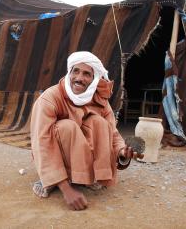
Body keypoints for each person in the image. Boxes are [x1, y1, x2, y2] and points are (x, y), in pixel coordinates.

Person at [30, 51, 143, 211]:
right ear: (69, 72)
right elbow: (42, 142)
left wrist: (122, 152)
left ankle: (85, 177)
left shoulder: (99, 100)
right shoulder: (50, 98)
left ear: (94, 79)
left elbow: (113, 133)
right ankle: (52, 179)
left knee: (99, 122)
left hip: (79, 153)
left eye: (86, 74)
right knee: (67, 127)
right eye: (75, 71)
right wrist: (66, 190)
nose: (79, 78)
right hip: (51, 151)